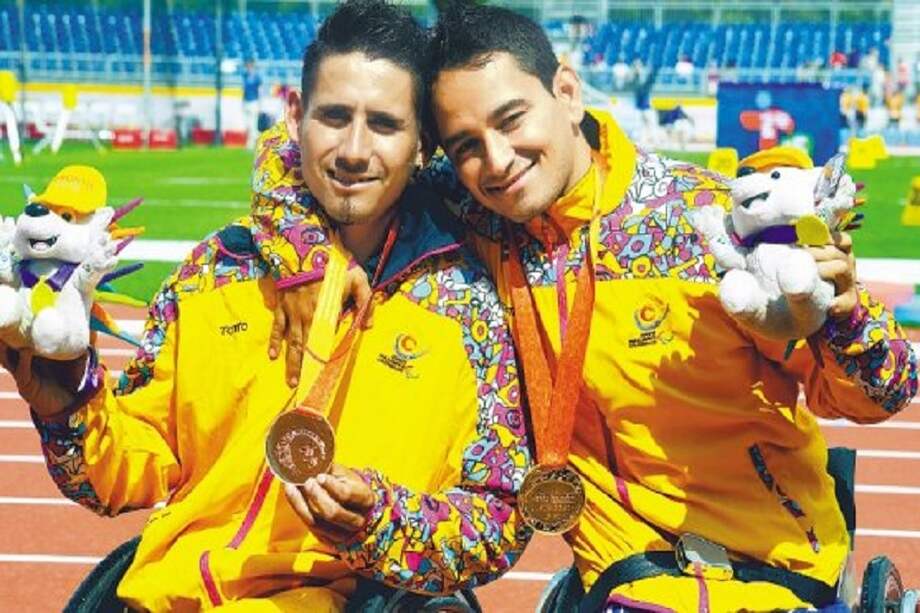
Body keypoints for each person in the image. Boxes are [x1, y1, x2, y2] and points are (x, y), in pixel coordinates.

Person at [261, 4, 918, 611]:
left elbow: (883, 392)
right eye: (465, 144)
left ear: (567, 92)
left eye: (512, 119)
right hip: (621, 578)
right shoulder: (477, 213)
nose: (496, 160)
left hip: (775, 570)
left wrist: (843, 313)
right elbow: (307, 159)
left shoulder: (707, 222)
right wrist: (303, 255)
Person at [3, 2, 530, 610]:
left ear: (421, 146)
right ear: (295, 116)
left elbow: (497, 519)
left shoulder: (467, 307)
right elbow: (122, 475)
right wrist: (71, 402)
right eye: (334, 117)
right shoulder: (213, 270)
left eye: (384, 124)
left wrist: (380, 520)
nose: (354, 150)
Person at [243, 58, 263, 149]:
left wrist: (260, 105)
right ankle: (256, 142)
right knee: (248, 124)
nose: (248, 68)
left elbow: (260, 92)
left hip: (254, 102)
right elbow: (244, 90)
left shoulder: (257, 77)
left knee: (253, 124)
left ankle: (251, 144)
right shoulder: (245, 76)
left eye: (249, 66)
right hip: (247, 101)